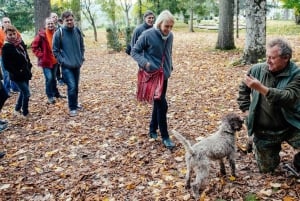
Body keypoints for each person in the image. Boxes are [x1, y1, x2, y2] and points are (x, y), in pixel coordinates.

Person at [237, 38, 300, 173]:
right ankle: (256, 144)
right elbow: (243, 88)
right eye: (267, 56)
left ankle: (297, 162)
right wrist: (247, 111)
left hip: (291, 125)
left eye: (272, 57)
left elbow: (288, 97)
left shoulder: (296, 74)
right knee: (267, 169)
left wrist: (261, 88)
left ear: (286, 58)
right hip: (265, 131)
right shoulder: (257, 69)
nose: (268, 61)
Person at [131, 10, 175, 149]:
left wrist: (170, 66)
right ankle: (165, 136)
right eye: (166, 26)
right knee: (162, 105)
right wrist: (145, 63)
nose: (168, 29)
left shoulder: (170, 36)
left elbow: (168, 52)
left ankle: (152, 129)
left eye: (170, 27)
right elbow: (134, 51)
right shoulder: (148, 35)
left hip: (164, 75)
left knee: (158, 102)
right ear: (159, 23)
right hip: (152, 75)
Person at [52, 11, 85, 117]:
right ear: (63, 21)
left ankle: (75, 103)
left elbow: (81, 45)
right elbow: (55, 50)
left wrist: (81, 58)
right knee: (71, 86)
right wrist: (62, 61)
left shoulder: (77, 30)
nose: (70, 22)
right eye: (67, 20)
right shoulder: (59, 33)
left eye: (71, 20)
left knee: (76, 87)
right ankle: (72, 108)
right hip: (66, 66)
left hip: (77, 64)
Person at [31, 17, 65, 104]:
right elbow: (34, 47)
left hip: (55, 61)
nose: (50, 25)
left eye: (51, 23)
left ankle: (56, 94)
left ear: (54, 24)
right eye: (48, 24)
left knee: (53, 78)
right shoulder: (41, 35)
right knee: (49, 78)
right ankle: (50, 96)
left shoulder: (57, 33)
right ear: (45, 25)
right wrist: (41, 55)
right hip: (46, 61)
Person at [2, 25, 32, 118]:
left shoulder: (20, 42)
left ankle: (17, 109)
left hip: (25, 72)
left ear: (16, 33)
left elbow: (25, 55)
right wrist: (17, 72)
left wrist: (29, 65)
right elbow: (7, 65)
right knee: (27, 93)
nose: (12, 36)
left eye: (14, 33)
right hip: (16, 75)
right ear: (6, 35)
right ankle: (25, 112)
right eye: (10, 34)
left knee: (23, 92)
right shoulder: (6, 47)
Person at [0, 17, 19, 95]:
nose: (7, 23)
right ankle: (7, 89)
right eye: (5, 22)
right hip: (3, 54)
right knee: (6, 72)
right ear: (2, 23)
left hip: (14, 54)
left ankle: (15, 88)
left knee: (14, 70)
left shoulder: (14, 30)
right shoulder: (0, 32)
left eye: (8, 21)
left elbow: (19, 39)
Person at [50, 12, 64, 86]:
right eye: (53, 17)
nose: (55, 18)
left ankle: (64, 78)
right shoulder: (50, 27)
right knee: (57, 64)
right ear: (50, 18)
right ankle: (59, 79)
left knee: (64, 63)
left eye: (56, 16)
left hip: (62, 48)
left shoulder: (61, 26)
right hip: (55, 48)